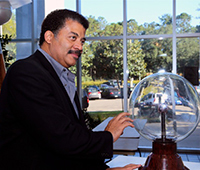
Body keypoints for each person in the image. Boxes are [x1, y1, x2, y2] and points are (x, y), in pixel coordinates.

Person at [0, 9, 141, 170]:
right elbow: (61, 137)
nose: (79, 46)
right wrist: (108, 136)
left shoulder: (63, 76)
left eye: (82, 41)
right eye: (73, 38)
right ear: (49, 37)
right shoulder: (26, 72)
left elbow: (73, 144)